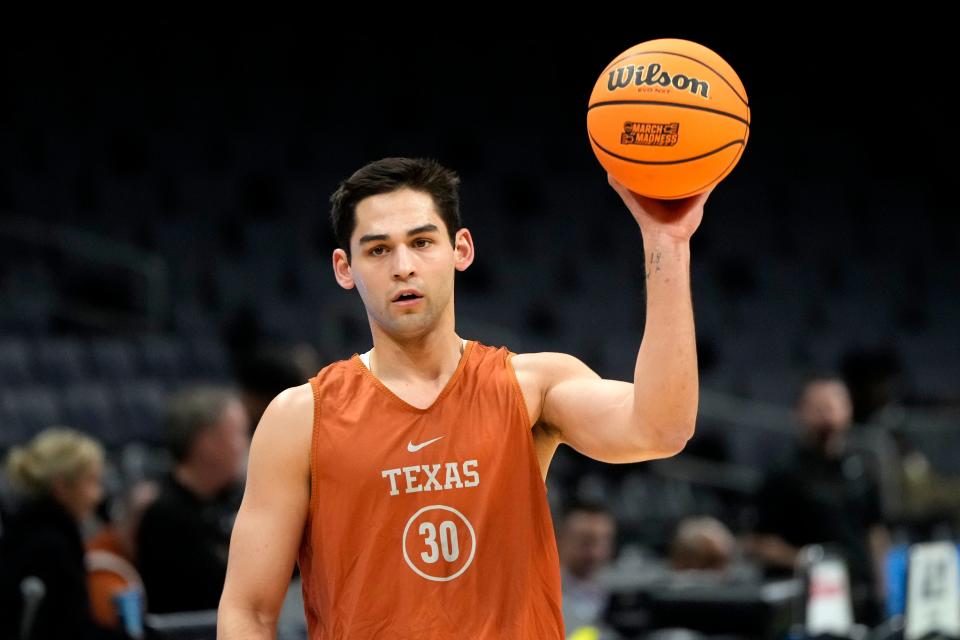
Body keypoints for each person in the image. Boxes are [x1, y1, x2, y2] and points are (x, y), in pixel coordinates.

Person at [218, 157, 714, 638]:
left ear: (461, 249)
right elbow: (249, 612)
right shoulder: (300, 417)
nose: (403, 267)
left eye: (422, 242)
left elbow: (661, 429)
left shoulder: (531, 386)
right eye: (378, 250)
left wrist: (666, 242)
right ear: (344, 268)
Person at [745, 372, 892, 627]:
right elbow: (757, 543)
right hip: (805, 601)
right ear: (799, 413)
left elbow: (875, 531)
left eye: (833, 405)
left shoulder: (864, 468)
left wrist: (883, 588)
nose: (827, 415)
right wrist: (808, 562)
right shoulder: (783, 472)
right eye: (818, 407)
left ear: (848, 410)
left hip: (860, 597)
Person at [0, 427, 130, 640]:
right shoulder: (51, 546)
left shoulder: (28, 531)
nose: (98, 495)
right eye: (92, 481)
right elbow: (72, 629)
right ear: (61, 486)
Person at [136, 385, 250, 613]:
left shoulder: (229, 499)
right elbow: (226, 591)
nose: (246, 445)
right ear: (207, 443)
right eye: (239, 433)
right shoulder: (165, 515)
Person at [556, 499, 618, 636]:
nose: (596, 553)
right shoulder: (543, 595)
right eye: (586, 542)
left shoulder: (621, 595)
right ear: (560, 539)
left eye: (605, 541)